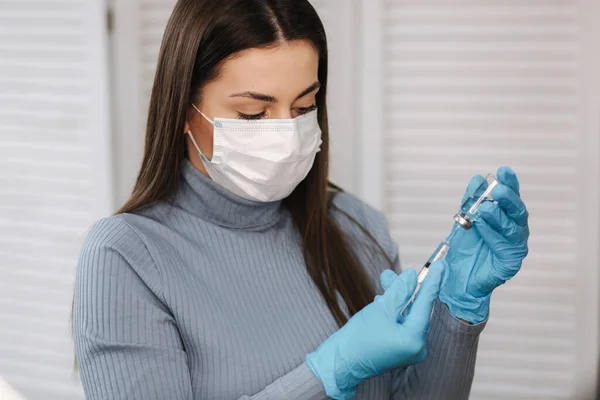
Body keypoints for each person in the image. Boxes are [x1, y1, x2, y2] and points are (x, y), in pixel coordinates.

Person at [72, 0, 530, 399]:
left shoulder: (356, 225)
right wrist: (330, 371)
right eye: (253, 112)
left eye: (304, 107)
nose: (286, 134)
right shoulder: (127, 257)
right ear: (183, 112)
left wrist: (457, 311)